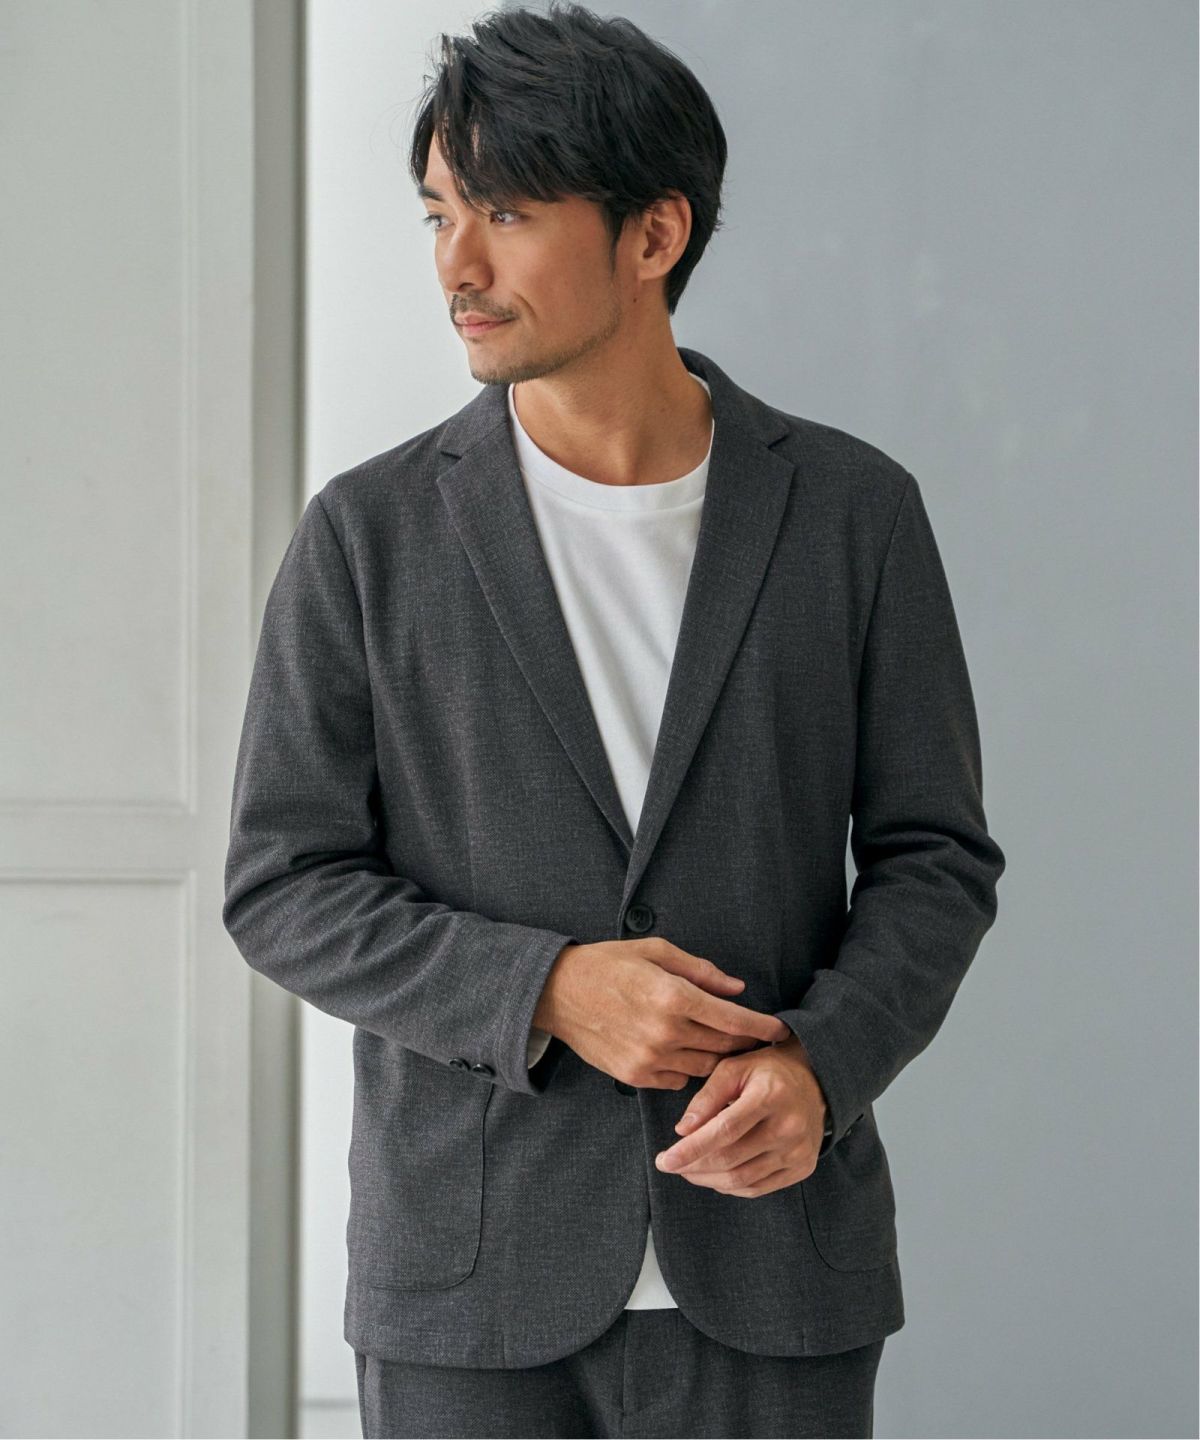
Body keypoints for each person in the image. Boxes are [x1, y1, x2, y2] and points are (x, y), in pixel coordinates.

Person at [222, 4, 1005, 1436]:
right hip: (470, 1286)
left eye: (508, 213)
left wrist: (824, 1065)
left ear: (655, 234)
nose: (457, 265)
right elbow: (282, 884)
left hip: (777, 1272)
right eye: (440, 213)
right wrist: (544, 988)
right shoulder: (368, 535)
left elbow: (936, 858)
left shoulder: (852, 514)